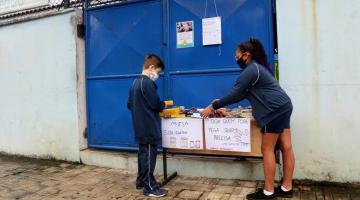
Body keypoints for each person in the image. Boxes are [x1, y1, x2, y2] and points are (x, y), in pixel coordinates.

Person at [202, 39, 295, 200]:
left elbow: (235, 94)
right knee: (286, 146)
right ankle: (287, 187)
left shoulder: (251, 70)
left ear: (246, 55)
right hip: (284, 106)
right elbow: (241, 95)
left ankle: (268, 191)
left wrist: (213, 106)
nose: (235, 58)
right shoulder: (256, 69)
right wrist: (222, 105)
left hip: (273, 110)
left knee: (267, 149)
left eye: (236, 55)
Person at [127, 54, 168, 197]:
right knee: (149, 157)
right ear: (151, 68)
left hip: (139, 126)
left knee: (143, 156)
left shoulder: (134, 83)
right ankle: (150, 187)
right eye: (158, 72)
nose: (157, 75)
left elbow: (129, 104)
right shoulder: (147, 83)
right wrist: (163, 104)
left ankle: (140, 181)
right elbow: (156, 105)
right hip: (149, 127)